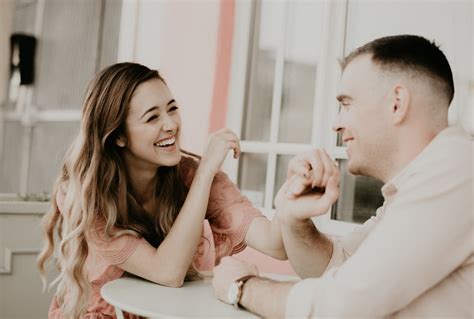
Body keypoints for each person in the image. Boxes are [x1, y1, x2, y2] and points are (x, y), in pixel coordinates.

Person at [212, 34, 473, 318]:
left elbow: (340, 307)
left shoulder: (457, 169)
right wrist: (293, 217)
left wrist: (242, 287)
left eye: (347, 104)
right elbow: (339, 266)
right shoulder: (418, 185)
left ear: (397, 103)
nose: (336, 123)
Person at [37, 62, 287, 318]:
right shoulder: (86, 196)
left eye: (172, 109)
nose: (171, 125)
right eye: (152, 117)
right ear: (118, 137)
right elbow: (167, 272)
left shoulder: (190, 174)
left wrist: (293, 198)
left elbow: (275, 244)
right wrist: (204, 174)